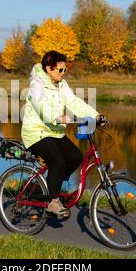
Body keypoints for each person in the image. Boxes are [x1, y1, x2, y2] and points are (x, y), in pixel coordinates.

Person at [21, 51, 103, 218]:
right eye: (60, 70)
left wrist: (95, 115)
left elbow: (73, 102)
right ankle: (53, 202)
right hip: (36, 132)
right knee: (57, 161)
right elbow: (40, 106)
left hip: (54, 132)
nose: (63, 73)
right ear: (49, 68)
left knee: (76, 157)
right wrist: (57, 118)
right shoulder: (37, 84)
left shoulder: (62, 84)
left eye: (64, 70)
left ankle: (54, 187)